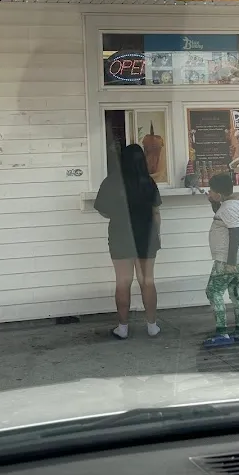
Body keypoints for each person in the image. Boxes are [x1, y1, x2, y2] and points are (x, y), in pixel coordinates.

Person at [94, 144, 162, 339]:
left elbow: (102, 210)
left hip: (120, 235)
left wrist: (117, 214)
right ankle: (152, 326)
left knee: (123, 281)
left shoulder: (111, 182)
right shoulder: (148, 182)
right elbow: (156, 213)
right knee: (147, 280)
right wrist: (157, 235)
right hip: (146, 236)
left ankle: (122, 328)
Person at [203, 172, 239, 347]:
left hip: (227, 260)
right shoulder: (233, 203)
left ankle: (222, 333)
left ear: (219, 193)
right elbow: (221, 214)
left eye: (211, 190)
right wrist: (213, 202)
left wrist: (231, 261)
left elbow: (235, 233)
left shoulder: (229, 208)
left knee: (213, 291)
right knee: (236, 292)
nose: (209, 192)